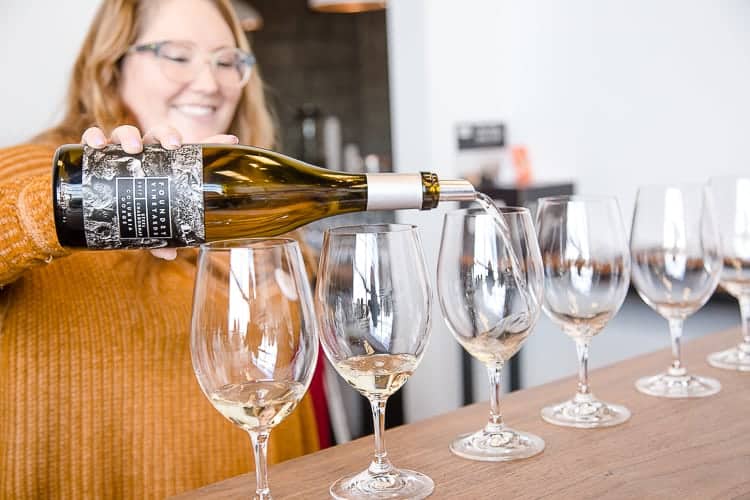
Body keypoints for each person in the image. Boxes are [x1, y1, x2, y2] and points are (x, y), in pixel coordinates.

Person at [0, 0, 322, 497]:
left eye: (227, 60)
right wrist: (91, 197)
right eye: (177, 55)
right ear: (111, 68)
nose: (210, 83)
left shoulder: (253, 209)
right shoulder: (29, 176)